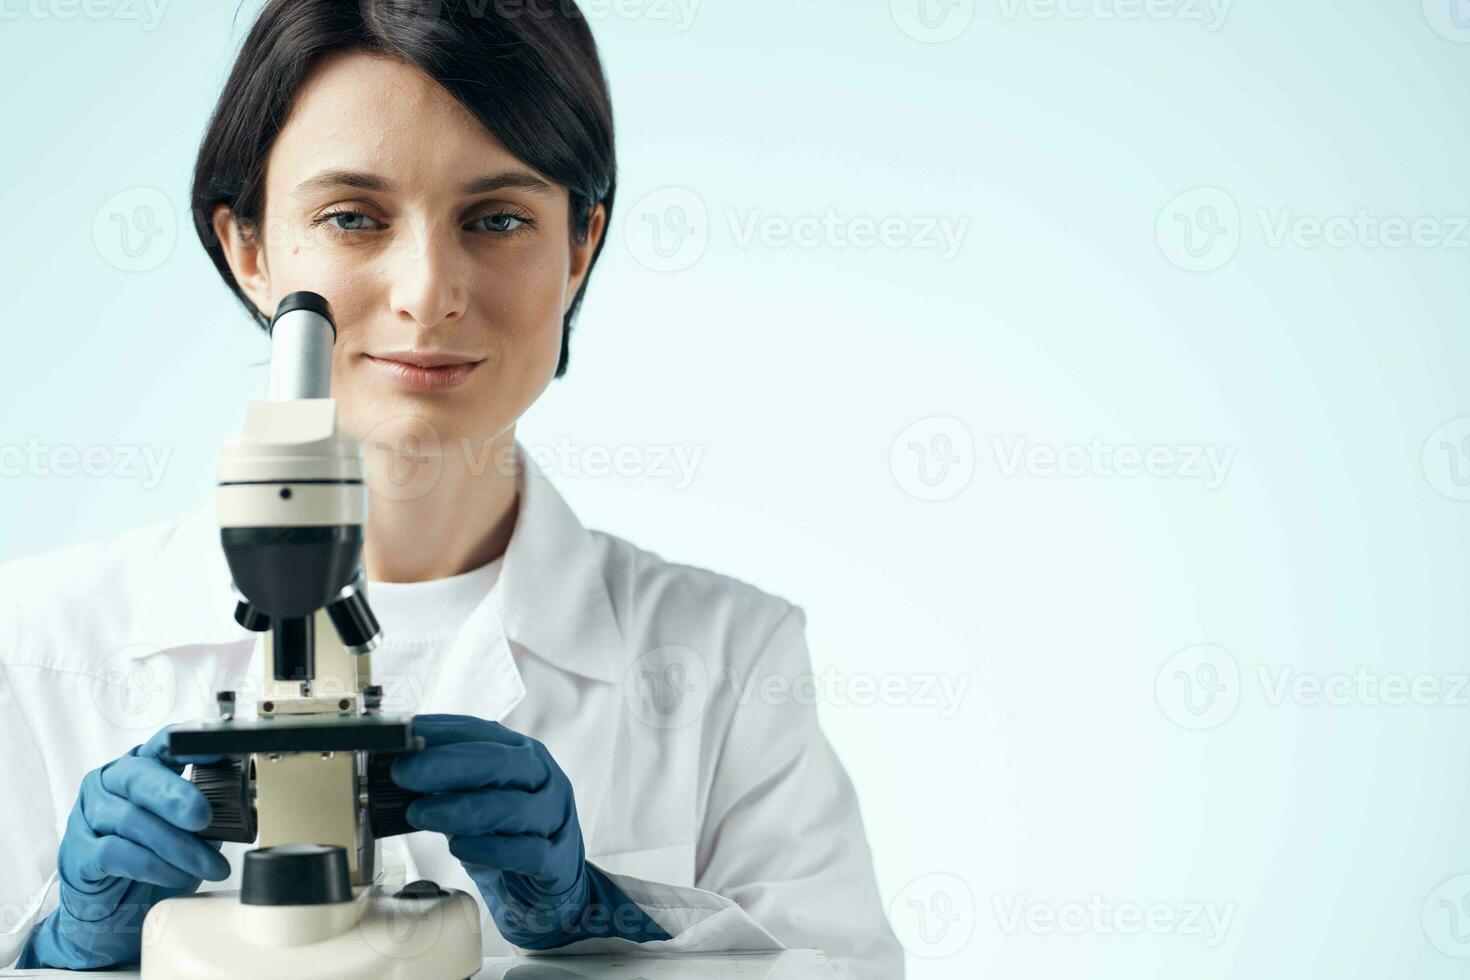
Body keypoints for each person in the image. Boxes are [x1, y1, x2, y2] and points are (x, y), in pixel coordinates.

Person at [0, 1, 903, 977]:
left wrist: (606, 916)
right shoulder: (37, 646)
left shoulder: (725, 658)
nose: (429, 289)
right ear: (250, 249)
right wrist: (59, 950)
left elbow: (838, 964)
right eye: (352, 216)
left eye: (498, 217)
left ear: (579, 246)